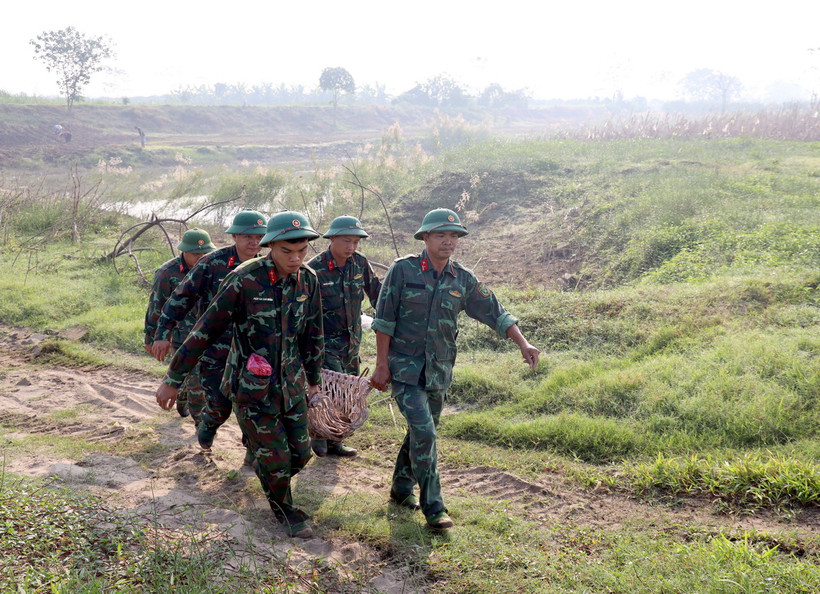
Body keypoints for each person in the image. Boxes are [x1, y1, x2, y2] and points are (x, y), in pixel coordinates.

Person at [155, 210, 324, 538]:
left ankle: (266, 467)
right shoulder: (245, 278)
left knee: (302, 454)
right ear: (270, 246)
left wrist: (314, 381)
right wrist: (173, 380)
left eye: (302, 251)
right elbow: (204, 329)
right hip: (252, 387)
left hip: (290, 385)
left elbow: (313, 334)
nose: (296, 258)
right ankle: (286, 511)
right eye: (287, 251)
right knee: (276, 459)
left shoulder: (309, 280)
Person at [369, 208, 540, 530]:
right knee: (425, 432)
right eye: (440, 235)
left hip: (438, 371)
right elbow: (384, 320)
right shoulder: (402, 271)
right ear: (425, 238)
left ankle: (400, 489)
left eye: (454, 236)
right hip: (404, 369)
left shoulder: (462, 278)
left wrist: (523, 343)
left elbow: (496, 313)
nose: (448, 241)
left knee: (421, 434)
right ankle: (434, 508)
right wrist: (381, 365)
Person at [152, 209, 267, 455]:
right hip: (215, 349)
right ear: (234, 236)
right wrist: (162, 332)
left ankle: (253, 453)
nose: (254, 242)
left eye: (259, 236)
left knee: (252, 403)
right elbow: (180, 298)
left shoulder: (268, 266)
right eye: (248, 236)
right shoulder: (212, 263)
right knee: (218, 401)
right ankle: (209, 424)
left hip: (253, 350)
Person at [307, 215, 381, 458]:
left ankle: (335, 441)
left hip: (352, 343)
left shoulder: (359, 264)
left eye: (356, 242)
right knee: (329, 390)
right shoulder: (314, 269)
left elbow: (377, 293)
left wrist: (388, 320)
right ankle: (318, 435)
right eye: (346, 241)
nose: (351, 247)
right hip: (324, 343)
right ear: (332, 239)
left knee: (348, 394)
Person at [143, 228, 216, 418]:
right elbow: (156, 307)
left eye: (204, 253)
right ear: (183, 251)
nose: (200, 258)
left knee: (206, 377)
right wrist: (152, 337)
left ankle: (183, 389)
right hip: (182, 335)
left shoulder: (216, 268)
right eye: (195, 254)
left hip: (210, 333)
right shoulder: (167, 273)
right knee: (196, 378)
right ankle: (201, 424)